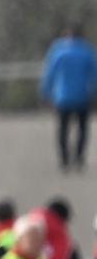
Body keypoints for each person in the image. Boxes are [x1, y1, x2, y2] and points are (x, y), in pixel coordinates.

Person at [42, 24, 97, 171]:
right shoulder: (86, 51)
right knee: (82, 129)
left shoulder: (58, 51)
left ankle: (64, 159)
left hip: (63, 97)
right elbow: (94, 75)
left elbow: (49, 74)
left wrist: (46, 93)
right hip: (82, 96)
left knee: (63, 129)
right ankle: (79, 158)